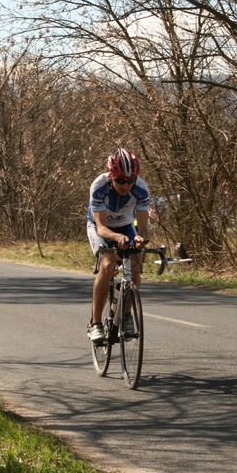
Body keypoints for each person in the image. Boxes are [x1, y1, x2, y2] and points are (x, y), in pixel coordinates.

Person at [86, 147, 151, 343]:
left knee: (136, 264)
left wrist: (140, 238)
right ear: (112, 176)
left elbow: (143, 228)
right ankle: (96, 324)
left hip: (125, 226)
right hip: (101, 228)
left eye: (130, 181)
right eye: (121, 180)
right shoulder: (99, 186)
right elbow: (102, 228)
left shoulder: (141, 189)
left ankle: (126, 314)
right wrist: (115, 238)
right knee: (107, 265)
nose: (126, 186)